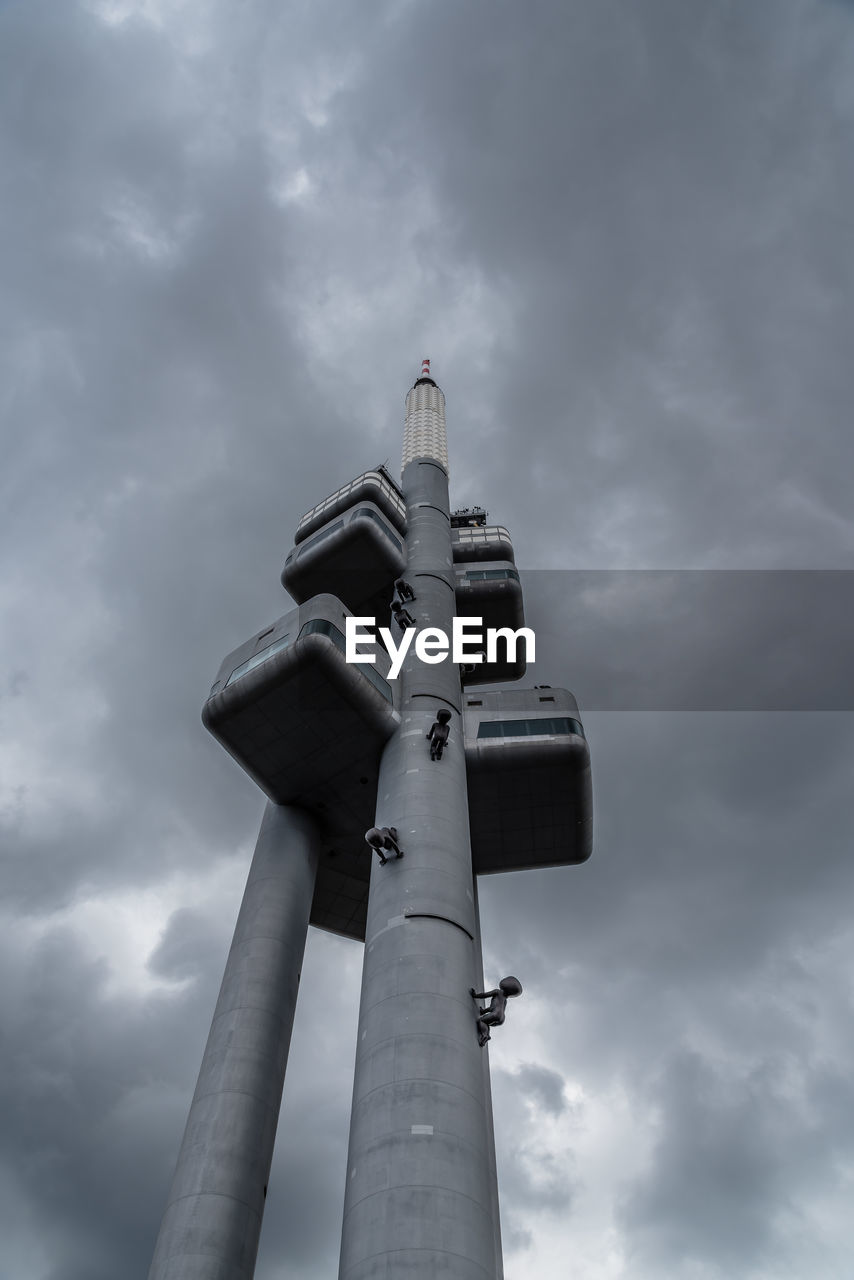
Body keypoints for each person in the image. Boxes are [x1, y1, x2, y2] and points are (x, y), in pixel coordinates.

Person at [470, 976, 523, 1046]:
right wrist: (483, 1011)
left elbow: (485, 995)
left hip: (495, 1014)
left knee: (482, 1021)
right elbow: (493, 1008)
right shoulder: (505, 1000)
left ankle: (485, 1035)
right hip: (501, 1018)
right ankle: (486, 1035)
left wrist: (475, 995)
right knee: (487, 1022)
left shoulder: (498, 992)